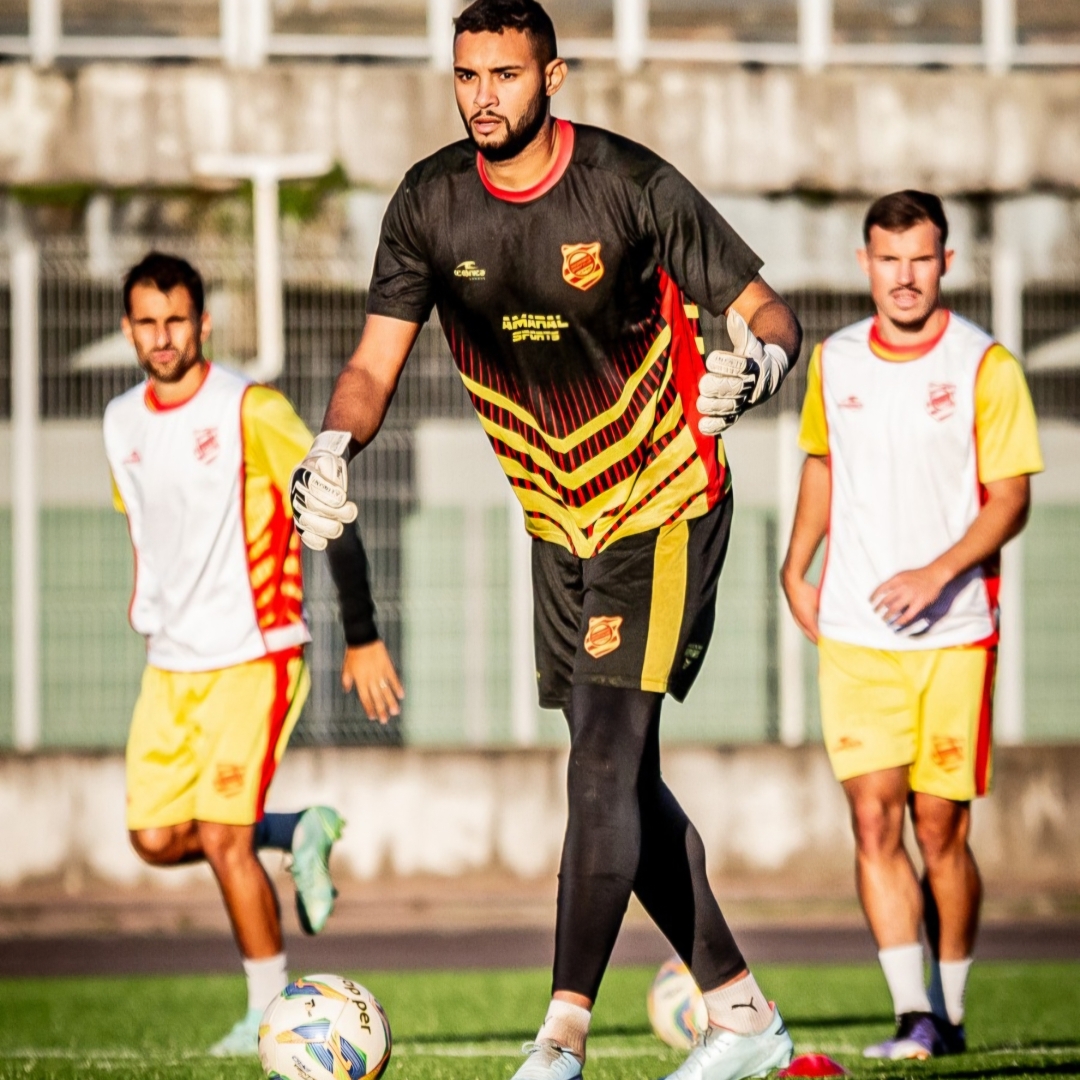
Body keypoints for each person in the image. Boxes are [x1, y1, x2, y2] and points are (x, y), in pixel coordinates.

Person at [289, 3, 803, 1078]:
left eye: (505, 75)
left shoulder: (629, 184)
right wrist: (332, 446)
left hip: (663, 500)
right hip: (554, 523)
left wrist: (755, 370)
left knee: (603, 765)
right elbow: (374, 366)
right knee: (615, 778)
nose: (483, 95)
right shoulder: (428, 203)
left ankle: (561, 1038)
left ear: (553, 77)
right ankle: (744, 1016)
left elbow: (771, 316)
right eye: (467, 74)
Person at [103, 252, 404, 1056]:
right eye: (147, 322)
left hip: (255, 653)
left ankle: (267, 1010)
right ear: (129, 327)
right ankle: (297, 826)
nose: (162, 337)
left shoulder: (251, 409)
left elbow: (326, 505)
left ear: (202, 323)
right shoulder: (120, 422)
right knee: (156, 837)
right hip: (171, 665)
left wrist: (362, 634)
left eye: (176, 320)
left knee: (224, 838)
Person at [781, 191, 1043, 1060]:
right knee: (872, 823)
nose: (904, 275)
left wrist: (937, 572)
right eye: (888, 259)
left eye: (920, 258)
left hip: (955, 631)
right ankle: (912, 1016)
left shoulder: (985, 365)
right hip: (855, 633)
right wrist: (795, 564)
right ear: (865, 263)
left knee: (940, 829)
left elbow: (1011, 499)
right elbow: (822, 465)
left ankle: (953, 1006)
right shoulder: (835, 360)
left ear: (946, 264)